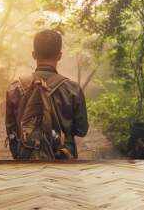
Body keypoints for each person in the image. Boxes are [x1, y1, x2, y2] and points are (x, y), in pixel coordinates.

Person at [5, 29, 88, 160]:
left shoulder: (15, 88)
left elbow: (11, 130)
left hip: (26, 159)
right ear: (59, 56)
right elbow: (81, 131)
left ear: (33, 54)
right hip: (64, 159)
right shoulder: (73, 89)